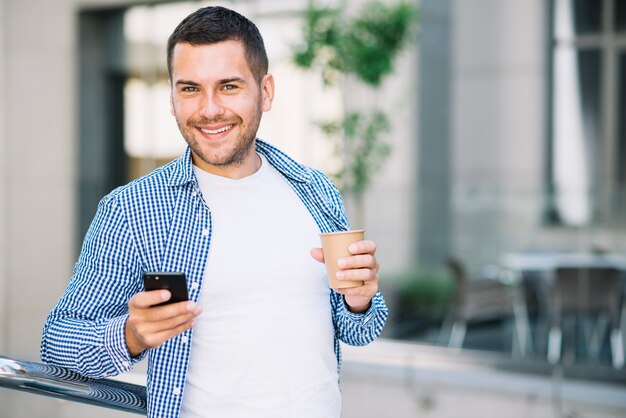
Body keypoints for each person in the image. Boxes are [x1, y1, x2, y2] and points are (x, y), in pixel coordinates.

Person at [41, 5, 387, 418]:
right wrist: (131, 335)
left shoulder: (315, 190)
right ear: (172, 97)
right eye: (189, 89)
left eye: (228, 86)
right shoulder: (132, 210)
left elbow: (358, 330)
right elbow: (59, 343)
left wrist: (360, 301)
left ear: (267, 91)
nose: (208, 109)